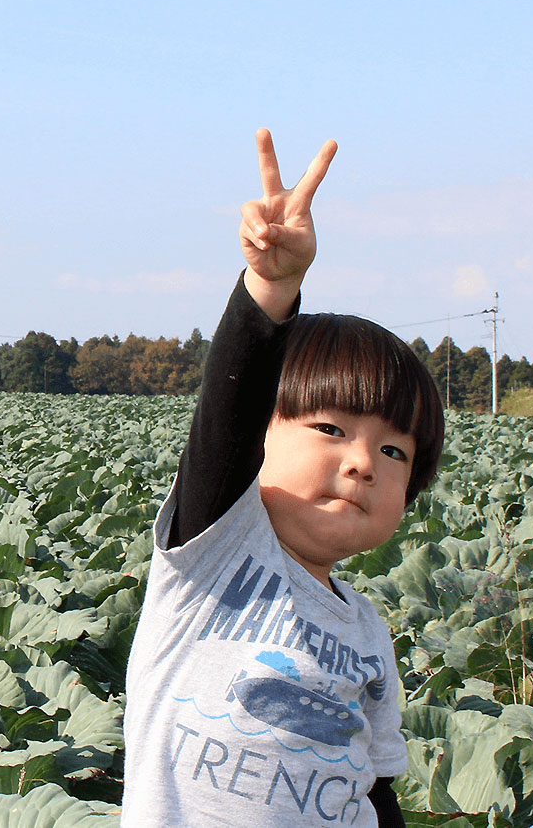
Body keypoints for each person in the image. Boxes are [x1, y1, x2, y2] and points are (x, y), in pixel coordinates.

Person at [121, 129, 442, 827]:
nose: (361, 462)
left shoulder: (366, 632)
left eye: (395, 453)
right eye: (330, 429)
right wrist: (270, 288)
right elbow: (224, 420)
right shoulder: (213, 553)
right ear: (259, 438)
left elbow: (375, 788)